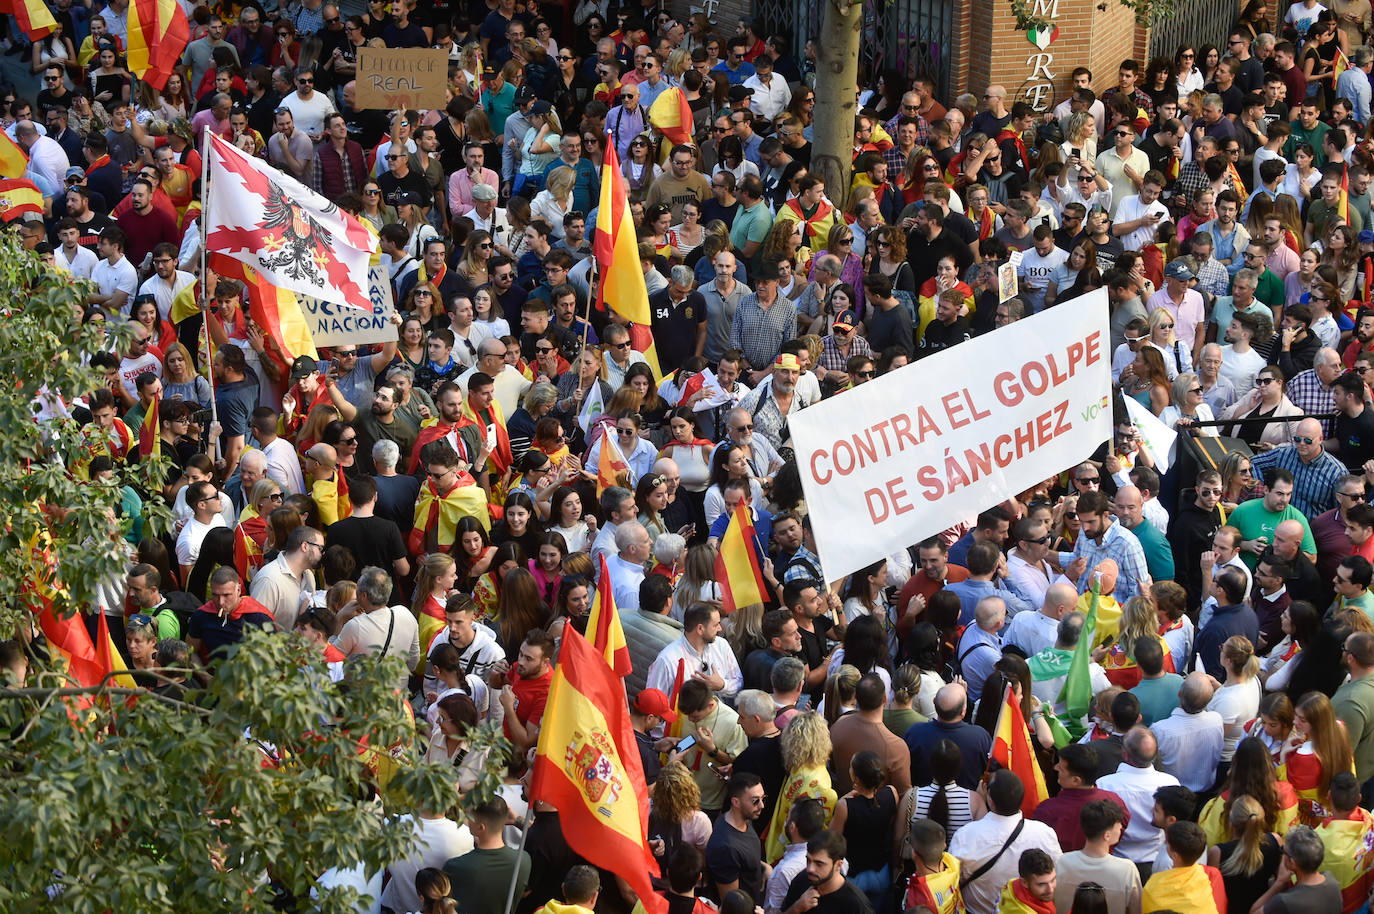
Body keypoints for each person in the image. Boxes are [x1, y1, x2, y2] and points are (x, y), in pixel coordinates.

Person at [948, 769, 1061, 914]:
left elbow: (952, 882)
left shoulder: (964, 836)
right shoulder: (1045, 833)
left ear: (991, 800)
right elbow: (1057, 871)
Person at [442, 796, 531, 914]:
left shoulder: (454, 867)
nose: (467, 820)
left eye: (470, 817)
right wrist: (516, 820)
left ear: (481, 827)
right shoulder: (523, 860)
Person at [706, 771, 770, 904]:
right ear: (736, 802)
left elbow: (744, 860)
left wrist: (763, 867)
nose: (761, 805)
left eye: (763, 798)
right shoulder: (725, 847)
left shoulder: (746, 819)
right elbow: (732, 904)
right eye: (755, 801)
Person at [1249, 826, 1342, 913]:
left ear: (1292, 862)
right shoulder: (1332, 881)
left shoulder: (1284, 902)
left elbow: (1253, 912)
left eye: (1283, 851)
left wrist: (1279, 883)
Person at [778, 830, 872, 914]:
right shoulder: (802, 880)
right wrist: (796, 908)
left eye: (819, 864)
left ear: (838, 865)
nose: (810, 869)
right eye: (808, 860)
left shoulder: (856, 905)